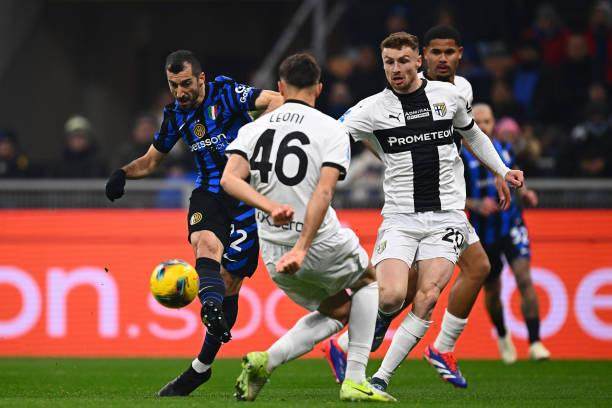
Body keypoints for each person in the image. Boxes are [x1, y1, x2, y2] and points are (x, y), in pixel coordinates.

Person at [333, 31, 523, 393]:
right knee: (391, 296)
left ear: (418, 61)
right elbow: (332, 135)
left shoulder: (449, 96)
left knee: (429, 295)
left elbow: (474, 135)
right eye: (389, 62)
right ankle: (358, 336)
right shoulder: (370, 109)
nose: (396, 69)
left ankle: (380, 378)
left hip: (447, 216)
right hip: (400, 217)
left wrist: (502, 169)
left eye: (403, 61)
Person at [104, 50, 283, 396]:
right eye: (173, 85)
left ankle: (201, 368)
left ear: (201, 79)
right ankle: (210, 306)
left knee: (229, 282)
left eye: (185, 83)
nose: (180, 92)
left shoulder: (226, 93)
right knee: (203, 241)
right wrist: (122, 173)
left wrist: (252, 136)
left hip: (248, 195)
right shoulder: (174, 116)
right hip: (210, 192)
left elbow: (276, 100)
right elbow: (151, 160)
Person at [221, 53, 395, 403]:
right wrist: (302, 246)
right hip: (317, 240)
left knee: (340, 310)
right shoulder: (332, 129)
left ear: (280, 87)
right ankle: (355, 379)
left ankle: (266, 361)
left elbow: (229, 180)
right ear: (319, 88)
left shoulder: (252, 129)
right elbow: (324, 191)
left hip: (274, 251)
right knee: (368, 281)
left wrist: (270, 207)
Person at [468, 103, 550, 363]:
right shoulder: (458, 156)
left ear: (494, 123)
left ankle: (535, 343)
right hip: (482, 232)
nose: (483, 127)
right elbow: (448, 194)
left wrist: (526, 193)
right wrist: (475, 204)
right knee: (492, 289)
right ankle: (503, 336)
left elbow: (515, 178)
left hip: (511, 224)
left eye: (487, 121)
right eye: (477, 122)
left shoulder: (504, 149)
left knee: (524, 278)